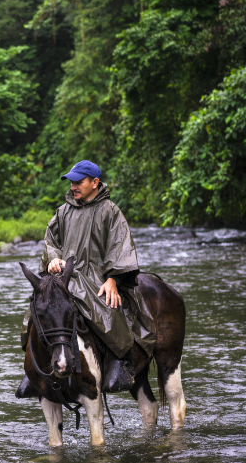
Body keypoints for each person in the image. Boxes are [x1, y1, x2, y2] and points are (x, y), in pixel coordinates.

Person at [19, 160, 156, 394]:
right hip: (66, 274)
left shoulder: (110, 211)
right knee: (37, 308)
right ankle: (34, 372)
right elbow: (51, 242)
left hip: (97, 277)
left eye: (78, 182)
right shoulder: (63, 211)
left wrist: (114, 279)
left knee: (104, 311)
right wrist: (53, 258)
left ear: (94, 182)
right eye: (71, 182)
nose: (73, 186)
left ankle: (120, 362)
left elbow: (121, 247)